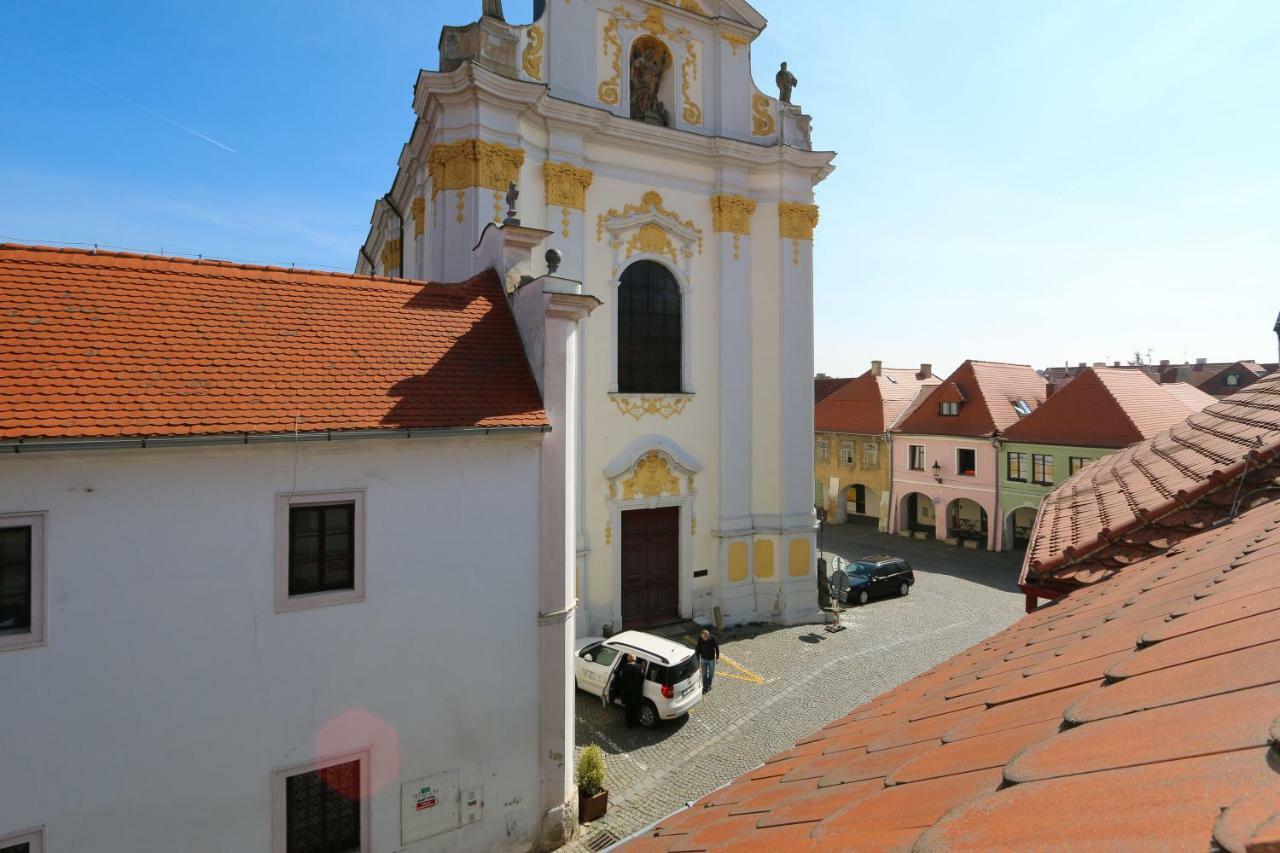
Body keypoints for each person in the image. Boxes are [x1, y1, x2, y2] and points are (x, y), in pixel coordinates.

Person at [618, 653, 647, 728]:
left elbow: (621, 679)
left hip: (627, 693)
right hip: (636, 693)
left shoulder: (624, 668)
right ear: (635, 659)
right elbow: (643, 677)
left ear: (627, 660)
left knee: (628, 709)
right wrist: (643, 667)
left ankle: (629, 724)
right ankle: (636, 724)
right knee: (636, 710)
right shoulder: (639, 667)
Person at [695, 629, 720, 693]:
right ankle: (705, 686)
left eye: (707, 636)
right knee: (704, 674)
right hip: (703, 659)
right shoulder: (700, 639)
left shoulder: (713, 638)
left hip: (711, 659)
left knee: (711, 673)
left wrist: (717, 657)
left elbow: (717, 647)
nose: (706, 638)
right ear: (701, 636)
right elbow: (698, 649)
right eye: (704, 637)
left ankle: (709, 683)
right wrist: (697, 660)